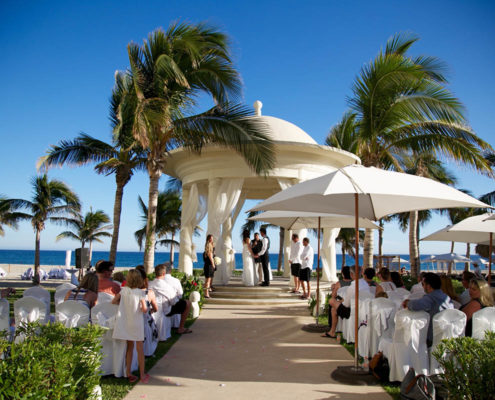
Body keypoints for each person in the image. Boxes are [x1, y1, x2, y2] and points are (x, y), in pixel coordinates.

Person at [112, 269, 149, 384]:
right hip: (136, 322)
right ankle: (142, 374)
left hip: (126, 321)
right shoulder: (140, 293)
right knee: (140, 349)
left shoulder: (123, 291)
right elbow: (144, 309)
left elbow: (114, 301)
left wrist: (122, 305)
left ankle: (128, 372)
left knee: (129, 348)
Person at [402, 272, 454, 347]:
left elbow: (416, 305)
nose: (422, 287)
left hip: (433, 337)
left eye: (423, 284)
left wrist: (407, 303)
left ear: (428, 286)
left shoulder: (431, 297)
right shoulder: (446, 297)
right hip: (447, 333)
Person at [323, 266, 370, 338]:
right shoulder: (366, 284)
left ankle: (332, 332)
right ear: (361, 273)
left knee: (332, 301)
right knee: (334, 309)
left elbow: (346, 304)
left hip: (352, 311)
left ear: (351, 274)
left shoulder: (353, 287)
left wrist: (339, 302)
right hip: (365, 309)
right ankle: (332, 332)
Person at [149, 262, 192, 335]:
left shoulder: (149, 283)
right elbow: (174, 301)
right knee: (187, 303)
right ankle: (181, 328)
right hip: (165, 310)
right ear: (163, 273)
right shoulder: (166, 287)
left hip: (152, 308)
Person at [135, 266, 159, 356]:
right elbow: (156, 308)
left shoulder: (128, 292)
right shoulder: (149, 292)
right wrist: (151, 310)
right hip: (146, 322)